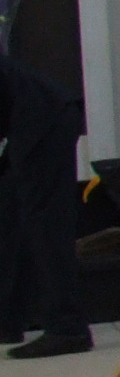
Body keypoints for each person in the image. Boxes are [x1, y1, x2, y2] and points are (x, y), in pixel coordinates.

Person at [0, 50, 90, 360]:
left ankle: (67, 328)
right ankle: (7, 320)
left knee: (46, 226)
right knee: (10, 217)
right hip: (33, 116)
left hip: (42, 118)